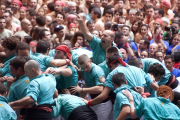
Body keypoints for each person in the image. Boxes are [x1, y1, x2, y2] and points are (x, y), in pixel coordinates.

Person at [70, 54, 112, 120]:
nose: (85, 70)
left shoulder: (97, 70)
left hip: (103, 103)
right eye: (83, 68)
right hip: (93, 101)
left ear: (90, 61)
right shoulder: (83, 70)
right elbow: (80, 72)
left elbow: (100, 89)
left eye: (87, 66)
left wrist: (81, 90)